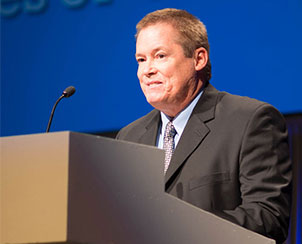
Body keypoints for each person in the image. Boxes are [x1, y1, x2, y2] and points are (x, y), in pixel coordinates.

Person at [116, 8, 292, 244]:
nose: (147, 70)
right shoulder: (129, 137)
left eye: (160, 56)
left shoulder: (250, 120)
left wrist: (176, 229)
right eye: (141, 60)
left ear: (199, 59)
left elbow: (269, 218)